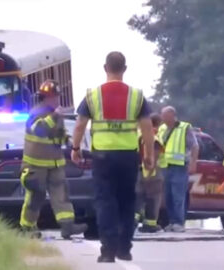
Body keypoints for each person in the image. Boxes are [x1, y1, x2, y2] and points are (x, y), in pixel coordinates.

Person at [71, 52, 154, 263]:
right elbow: (147, 128)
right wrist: (149, 155)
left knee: (105, 201)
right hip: (128, 156)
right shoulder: (137, 96)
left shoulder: (92, 96)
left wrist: (76, 148)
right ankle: (124, 248)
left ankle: (108, 251)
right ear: (124, 69)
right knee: (127, 202)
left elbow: (80, 124)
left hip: (102, 157)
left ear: (105, 68)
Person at [19, 79, 88, 239]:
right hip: (35, 165)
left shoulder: (56, 115)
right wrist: (54, 116)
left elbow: (58, 135)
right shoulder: (36, 113)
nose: (57, 100)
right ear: (45, 98)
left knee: (62, 194)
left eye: (58, 96)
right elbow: (40, 130)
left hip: (56, 164)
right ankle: (27, 227)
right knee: (36, 196)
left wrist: (72, 145)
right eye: (54, 97)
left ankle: (67, 226)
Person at [159, 106, 199, 232]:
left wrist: (193, 163)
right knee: (168, 196)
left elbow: (194, 146)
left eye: (165, 116)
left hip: (180, 166)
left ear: (172, 115)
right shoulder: (162, 128)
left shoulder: (184, 128)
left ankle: (179, 222)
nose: (163, 118)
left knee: (178, 196)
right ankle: (172, 221)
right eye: (162, 116)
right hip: (165, 167)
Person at [135, 113, 167, 233]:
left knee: (138, 197)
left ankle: (133, 221)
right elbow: (154, 154)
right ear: (157, 124)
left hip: (137, 170)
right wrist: (150, 170)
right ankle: (150, 224)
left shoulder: (137, 134)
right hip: (151, 172)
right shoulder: (153, 137)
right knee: (153, 198)